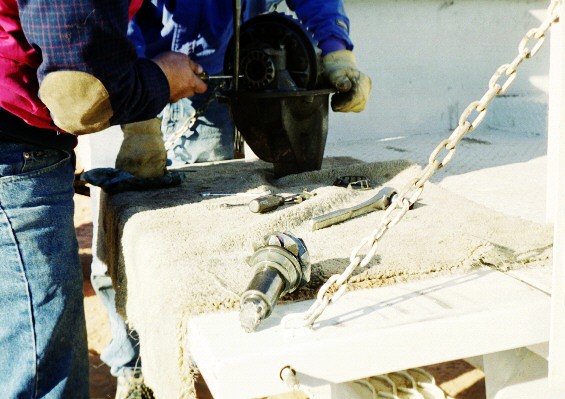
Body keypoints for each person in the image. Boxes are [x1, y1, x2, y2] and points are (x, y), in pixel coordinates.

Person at [83, 1, 371, 398]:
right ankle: (134, 369)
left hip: (220, 88)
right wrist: (139, 99)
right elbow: (111, 16)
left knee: (206, 242)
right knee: (125, 242)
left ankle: (211, 359)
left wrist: (336, 48)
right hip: (138, 80)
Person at [0, 2, 208, 398]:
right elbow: (77, 93)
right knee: (42, 377)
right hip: (14, 148)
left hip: (18, 138)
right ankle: (134, 371)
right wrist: (161, 81)